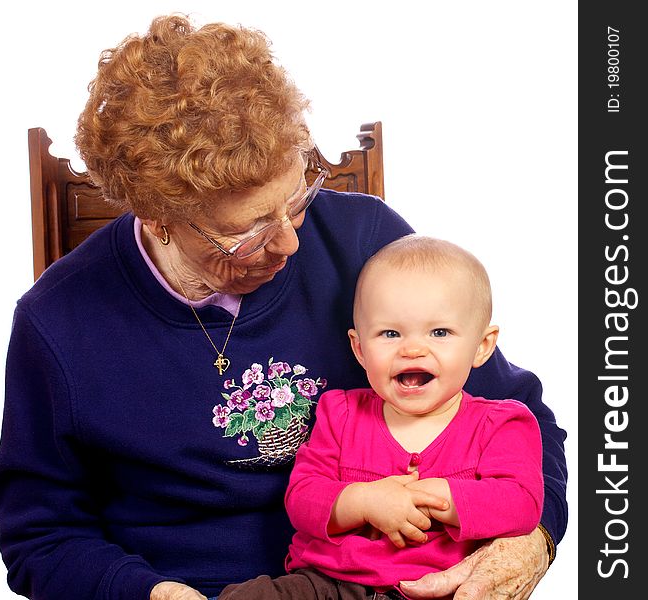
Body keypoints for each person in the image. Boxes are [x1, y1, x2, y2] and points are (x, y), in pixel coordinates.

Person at [0, 13, 566, 600]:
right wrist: (149, 594)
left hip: (393, 579)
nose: (290, 243)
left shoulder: (366, 244)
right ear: (158, 217)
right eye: (249, 233)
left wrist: (532, 540)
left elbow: (513, 411)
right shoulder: (58, 322)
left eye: (296, 200)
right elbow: (42, 534)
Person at [217, 235, 544, 600]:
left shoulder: (502, 424)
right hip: (330, 584)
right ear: (359, 348)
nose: (413, 348)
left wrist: (444, 497)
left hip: (437, 589)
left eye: (440, 332)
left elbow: (522, 503)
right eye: (390, 333)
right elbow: (303, 498)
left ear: (482, 346)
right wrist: (365, 502)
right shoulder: (340, 412)